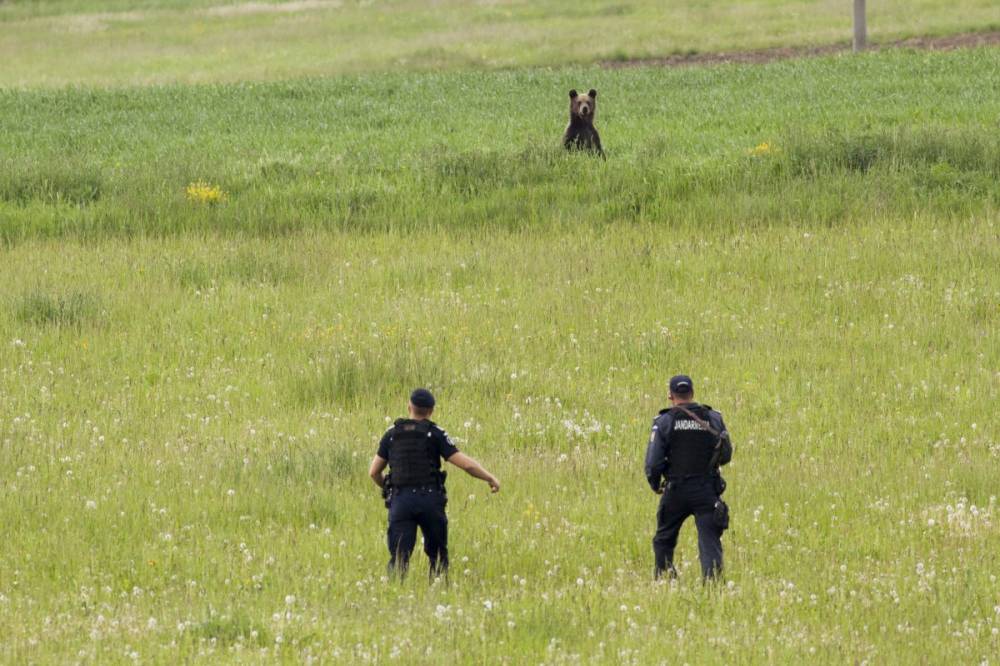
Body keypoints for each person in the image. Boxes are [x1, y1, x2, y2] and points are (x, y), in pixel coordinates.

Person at [368, 388, 500, 579]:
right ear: (431, 411)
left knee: (399, 557)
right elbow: (466, 465)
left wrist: (389, 488)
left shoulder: (391, 434)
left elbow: (374, 472)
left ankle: (395, 594)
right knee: (438, 556)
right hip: (430, 499)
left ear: (409, 407)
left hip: (401, 501)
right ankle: (438, 591)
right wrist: (490, 477)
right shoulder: (435, 433)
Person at [644, 374, 732, 581]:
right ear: (692, 393)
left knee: (663, 539)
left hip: (676, 491)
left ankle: (667, 580)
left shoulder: (665, 421)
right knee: (709, 542)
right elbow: (726, 455)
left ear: (670, 396)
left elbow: (653, 463)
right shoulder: (713, 418)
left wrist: (656, 484)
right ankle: (712, 587)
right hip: (706, 489)